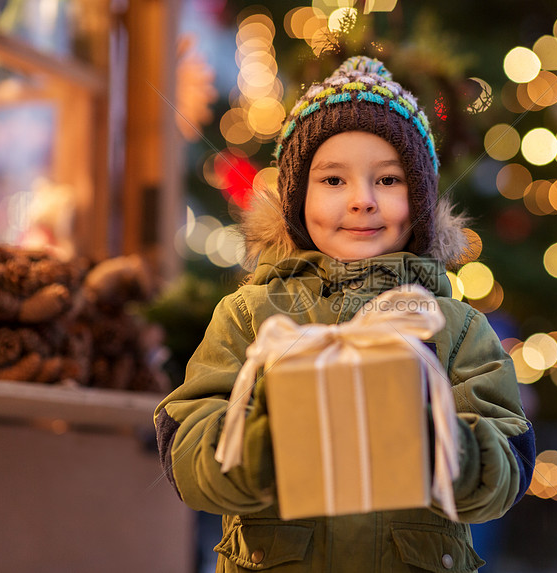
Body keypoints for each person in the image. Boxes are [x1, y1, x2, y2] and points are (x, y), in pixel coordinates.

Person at [154, 56, 535, 572]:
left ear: (419, 198)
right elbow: (187, 443)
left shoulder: (454, 327)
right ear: (296, 197)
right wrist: (266, 442)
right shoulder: (250, 316)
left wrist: (440, 444)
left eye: (389, 181)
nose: (362, 201)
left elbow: (508, 461)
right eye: (333, 181)